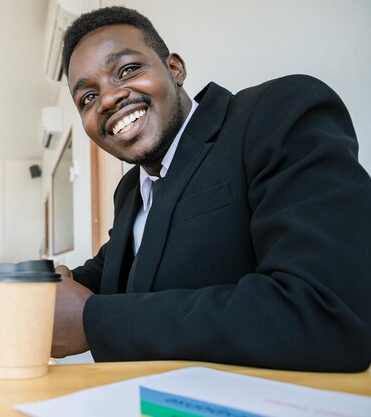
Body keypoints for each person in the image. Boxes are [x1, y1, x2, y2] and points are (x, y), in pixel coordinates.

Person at [50, 6, 371, 372]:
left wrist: (93, 321)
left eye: (127, 70)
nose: (107, 99)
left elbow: (326, 312)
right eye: (87, 98)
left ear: (175, 68)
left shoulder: (277, 113)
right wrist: (53, 286)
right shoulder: (130, 189)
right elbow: (116, 271)